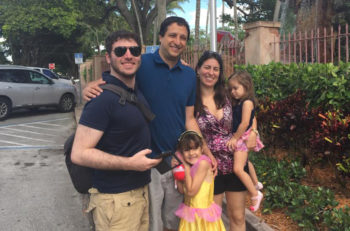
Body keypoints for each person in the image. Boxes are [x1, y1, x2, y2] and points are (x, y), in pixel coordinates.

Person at [82, 16, 217, 231]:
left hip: (177, 160)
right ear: (161, 37)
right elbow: (113, 80)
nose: (177, 41)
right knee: (152, 222)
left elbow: (189, 118)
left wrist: (206, 152)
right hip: (146, 162)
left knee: (173, 222)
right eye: (172, 35)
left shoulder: (190, 75)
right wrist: (89, 86)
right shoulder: (140, 63)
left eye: (183, 37)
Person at [70, 30, 161, 231]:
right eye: (120, 51)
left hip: (138, 194)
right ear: (108, 57)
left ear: (140, 55)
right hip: (115, 200)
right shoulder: (101, 100)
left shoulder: (134, 90)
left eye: (134, 50)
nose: (128, 55)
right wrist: (129, 164)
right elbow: (79, 153)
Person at [194, 51, 257, 231]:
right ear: (198, 69)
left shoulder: (228, 95)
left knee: (237, 217)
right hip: (210, 167)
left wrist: (253, 131)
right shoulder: (191, 98)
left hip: (235, 164)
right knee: (212, 221)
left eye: (216, 69)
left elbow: (250, 113)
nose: (211, 72)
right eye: (207, 67)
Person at [226, 70, 264, 212]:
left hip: (242, 137)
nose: (233, 92)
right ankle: (255, 184)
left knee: (237, 168)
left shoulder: (247, 102)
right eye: (231, 89)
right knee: (246, 162)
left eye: (236, 88)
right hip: (242, 136)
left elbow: (244, 123)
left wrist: (235, 138)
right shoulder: (240, 102)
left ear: (246, 86)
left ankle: (255, 194)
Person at [175, 130, 226, 231]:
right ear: (181, 152)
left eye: (195, 148)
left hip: (203, 218)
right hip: (190, 216)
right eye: (186, 150)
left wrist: (185, 167)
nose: (191, 153)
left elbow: (191, 192)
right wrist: (178, 171)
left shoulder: (203, 164)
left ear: (202, 149)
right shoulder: (190, 165)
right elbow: (182, 190)